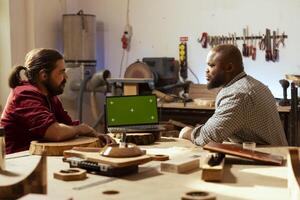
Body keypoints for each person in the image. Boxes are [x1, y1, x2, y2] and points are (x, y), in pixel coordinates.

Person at [0, 48, 115, 154]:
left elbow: (67, 125)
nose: (66, 77)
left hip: (36, 157)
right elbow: (55, 132)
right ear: (44, 75)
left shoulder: (50, 95)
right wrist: (80, 129)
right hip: (17, 161)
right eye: (61, 72)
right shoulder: (25, 94)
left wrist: (95, 134)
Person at [179, 44, 288, 146]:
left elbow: (208, 138)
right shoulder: (254, 84)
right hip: (270, 155)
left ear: (229, 68)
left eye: (212, 65)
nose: (206, 70)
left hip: (269, 160)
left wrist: (187, 132)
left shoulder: (237, 94)